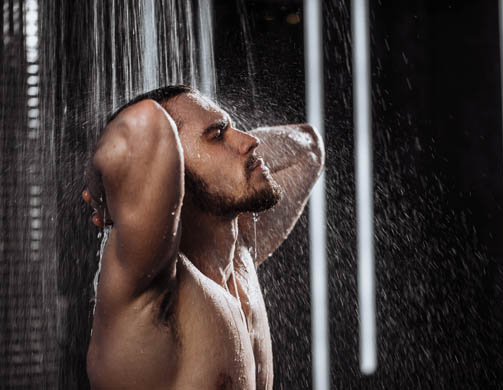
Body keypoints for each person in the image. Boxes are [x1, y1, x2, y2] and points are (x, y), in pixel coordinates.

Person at [83, 85, 324, 390]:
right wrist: (103, 177)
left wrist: (227, 151)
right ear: (172, 172)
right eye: (217, 135)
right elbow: (143, 123)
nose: (251, 141)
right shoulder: (151, 286)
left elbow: (308, 148)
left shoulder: (240, 251)